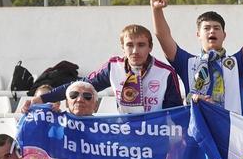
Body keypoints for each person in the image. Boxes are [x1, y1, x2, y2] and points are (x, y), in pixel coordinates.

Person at [21, 24, 183, 114]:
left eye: (141, 45)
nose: (135, 51)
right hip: (126, 134)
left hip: (155, 137)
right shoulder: (113, 67)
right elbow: (78, 86)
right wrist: (41, 99)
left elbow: (176, 113)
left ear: (150, 47)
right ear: (122, 47)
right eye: (129, 45)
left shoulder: (166, 73)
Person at [150, 0, 243, 115]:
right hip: (197, 130)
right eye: (206, 28)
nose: (212, 31)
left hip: (228, 130)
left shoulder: (237, 63)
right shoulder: (187, 62)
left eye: (216, 28)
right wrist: (156, 10)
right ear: (198, 34)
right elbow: (163, 36)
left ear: (224, 35)